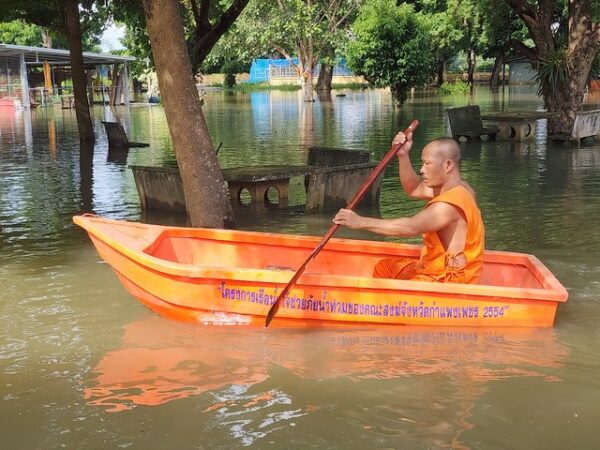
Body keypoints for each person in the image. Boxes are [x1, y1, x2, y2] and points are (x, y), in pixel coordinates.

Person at [333, 131, 485, 284]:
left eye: (427, 164)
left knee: (385, 279)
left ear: (448, 165)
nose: (422, 170)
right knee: (385, 267)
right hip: (436, 270)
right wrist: (403, 155)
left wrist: (360, 222)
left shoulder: (448, 206)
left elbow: (410, 227)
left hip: (445, 283)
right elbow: (414, 188)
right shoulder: (461, 188)